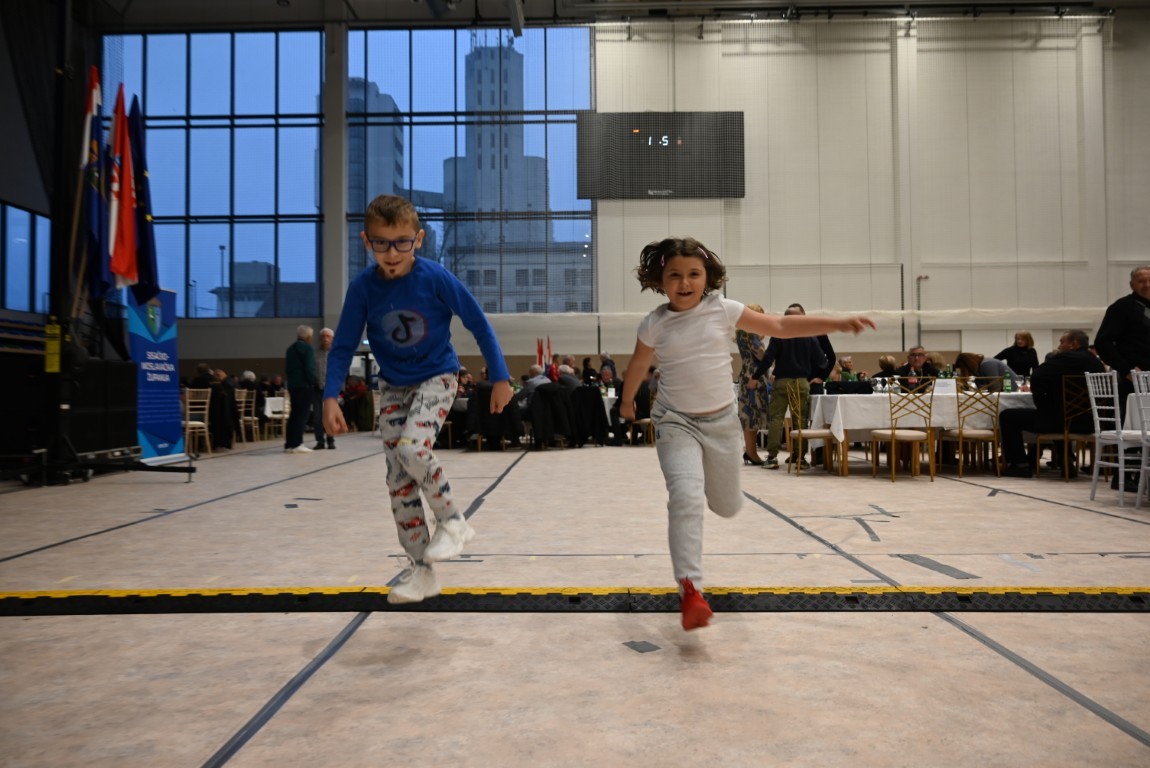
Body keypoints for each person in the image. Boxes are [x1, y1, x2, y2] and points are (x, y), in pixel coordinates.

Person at [618, 237, 874, 631]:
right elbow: (638, 364)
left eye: (693, 274)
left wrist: (836, 323)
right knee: (685, 497)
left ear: (708, 277)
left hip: (721, 423)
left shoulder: (723, 310)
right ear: (660, 279)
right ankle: (690, 589)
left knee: (726, 506)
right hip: (674, 421)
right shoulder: (653, 323)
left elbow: (781, 326)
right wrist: (626, 401)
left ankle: (714, 489)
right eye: (675, 275)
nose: (684, 283)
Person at [322, 194, 513, 604]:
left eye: (402, 243)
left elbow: (478, 323)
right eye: (381, 243)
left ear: (419, 239)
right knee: (398, 480)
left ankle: (453, 520)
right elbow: (343, 346)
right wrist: (330, 396)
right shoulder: (363, 288)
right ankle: (422, 571)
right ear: (366, 241)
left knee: (412, 449)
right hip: (393, 387)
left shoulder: (435, 277)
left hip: (437, 377)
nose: (392, 254)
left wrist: (500, 376)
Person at [999, 329, 1105, 477]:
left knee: (1007, 416)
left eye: (1062, 342)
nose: (1059, 346)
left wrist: (1043, 404)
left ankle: (1020, 465)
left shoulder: (1066, 358)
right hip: (1090, 422)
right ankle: (1066, 459)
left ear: (1073, 344)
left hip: (1061, 422)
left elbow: (1037, 376)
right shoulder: (1096, 362)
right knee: (1059, 413)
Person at [750, 305, 829, 470]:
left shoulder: (779, 334)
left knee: (776, 419)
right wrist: (818, 375)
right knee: (800, 420)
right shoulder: (810, 336)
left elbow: (768, 358)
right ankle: (800, 458)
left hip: (781, 382)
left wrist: (756, 376)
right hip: (801, 382)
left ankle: (772, 457)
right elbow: (822, 361)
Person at [1094, 265, 1150, 422]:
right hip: (1136, 380)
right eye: (1141, 281)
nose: (1147, 285)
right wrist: (1127, 370)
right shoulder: (1122, 307)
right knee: (1136, 426)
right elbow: (1102, 342)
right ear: (1132, 285)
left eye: (1149, 280)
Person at [735, 303, 769, 465]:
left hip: (745, 373)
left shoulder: (740, 332)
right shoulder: (751, 333)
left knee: (748, 414)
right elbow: (761, 354)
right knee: (752, 415)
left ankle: (750, 451)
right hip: (754, 375)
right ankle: (751, 452)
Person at [284, 325, 317, 453]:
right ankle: (298, 443)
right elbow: (309, 368)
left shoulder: (290, 349)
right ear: (308, 337)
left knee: (294, 415)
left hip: (292, 386)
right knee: (302, 415)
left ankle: (289, 444)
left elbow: (287, 369)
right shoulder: (308, 349)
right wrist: (312, 382)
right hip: (304, 386)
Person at [312, 327, 336, 450]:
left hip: (330, 389)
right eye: (323, 336)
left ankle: (330, 440)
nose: (325, 338)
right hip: (317, 388)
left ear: (332, 338)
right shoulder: (315, 353)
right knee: (317, 416)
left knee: (329, 415)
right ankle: (320, 441)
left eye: (328, 336)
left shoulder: (335, 353)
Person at [953, 352, 1017, 392]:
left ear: (967, 365)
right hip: (1005, 393)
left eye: (963, 369)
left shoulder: (987, 364)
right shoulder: (979, 369)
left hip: (1012, 393)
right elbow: (980, 388)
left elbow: (995, 387)